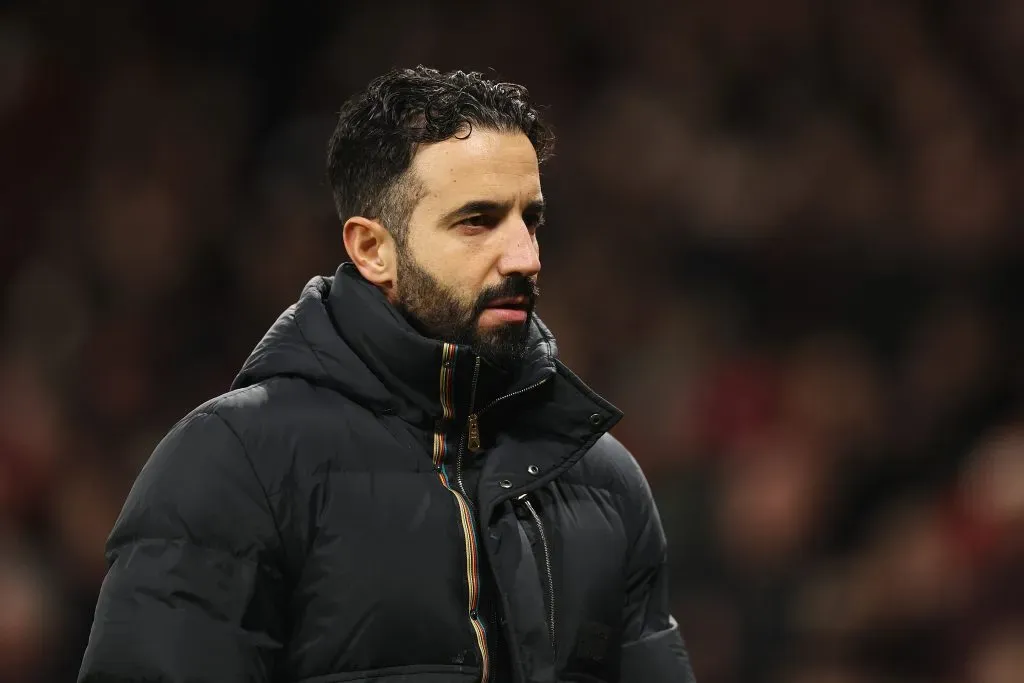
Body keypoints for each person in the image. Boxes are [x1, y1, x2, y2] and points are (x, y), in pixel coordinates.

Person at [78, 66, 696, 683]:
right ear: (373, 249)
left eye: (530, 219)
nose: (525, 257)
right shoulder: (236, 463)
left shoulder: (604, 481)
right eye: (477, 221)